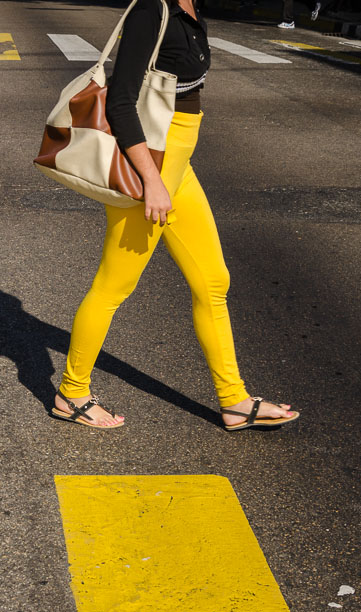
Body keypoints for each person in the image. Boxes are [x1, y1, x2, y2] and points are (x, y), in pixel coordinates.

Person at [52, 0, 299, 432]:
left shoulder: (190, 8)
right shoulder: (152, 10)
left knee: (212, 281)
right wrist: (151, 180)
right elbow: (122, 102)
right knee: (114, 285)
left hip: (178, 167)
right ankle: (72, 392)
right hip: (153, 168)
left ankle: (234, 400)